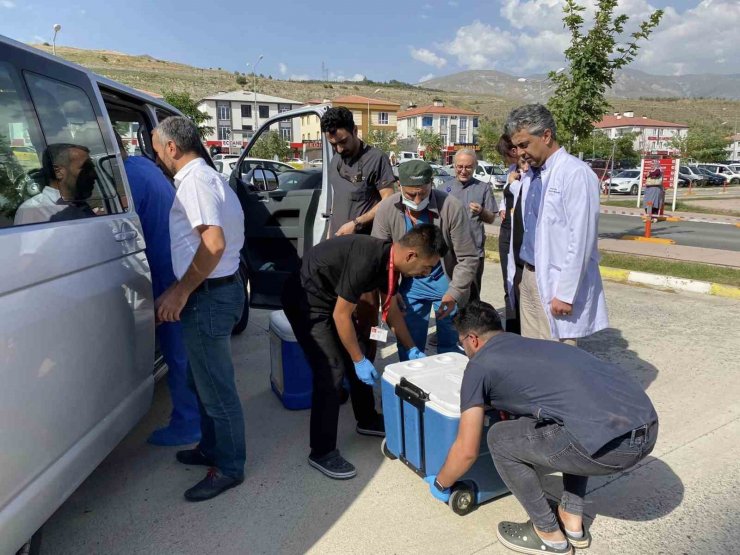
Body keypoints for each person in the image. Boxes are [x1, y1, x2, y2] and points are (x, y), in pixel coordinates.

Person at [425, 301, 658, 555]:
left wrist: (441, 483)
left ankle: (548, 534)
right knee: (572, 416)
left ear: (473, 339)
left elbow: (467, 449)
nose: (465, 349)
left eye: (462, 343)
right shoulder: (535, 346)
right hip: (647, 426)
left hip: (613, 448)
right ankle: (572, 518)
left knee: (499, 439)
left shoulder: (479, 364)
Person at [281, 225, 445, 480]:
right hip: (306, 301)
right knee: (332, 370)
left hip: (330, 300)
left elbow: (390, 311)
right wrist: (357, 360)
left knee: (357, 351)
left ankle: (366, 420)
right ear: (411, 255)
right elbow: (341, 315)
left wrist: (412, 347)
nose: (427, 273)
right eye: (426, 267)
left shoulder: (389, 262)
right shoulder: (368, 259)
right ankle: (321, 451)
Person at [152, 116, 246, 502]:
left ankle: (228, 467)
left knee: (216, 388)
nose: (156, 158)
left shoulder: (194, 182)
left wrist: (179, 292)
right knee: (201, 380)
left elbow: (213, 243)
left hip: (208, 295)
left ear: (172, 148)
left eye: (158, 150)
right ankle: (211, 447)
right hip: (214, 291)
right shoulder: (206, 177)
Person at [115, 132, 201, 446]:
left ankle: (189, 423)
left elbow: (118, 225)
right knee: (184, 351)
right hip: (174, 262)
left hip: (165, 271)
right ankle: (194, 417)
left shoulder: (129, 179)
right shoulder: (143, 167)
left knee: (178, 353)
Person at [504, 104, 608, 343]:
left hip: (556, 284)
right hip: (530, 276)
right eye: (516, 147)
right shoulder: (532, 175)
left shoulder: (575, 173)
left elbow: (581, 239)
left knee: (559, 361)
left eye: (524, 144)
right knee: (532, 352)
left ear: (546, 136)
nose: (519, 153)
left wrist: (566, 294)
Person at [371, 160, 479, 359]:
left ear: (432, 184)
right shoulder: (387, 209)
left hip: (446, 283)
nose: (418, 198)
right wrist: (391, 291)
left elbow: (468, 256)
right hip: (409, 286)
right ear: (400, 187)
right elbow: (379, 257)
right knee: (410, 344)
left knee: (450, 345)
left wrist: (455, 293)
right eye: (411, 194)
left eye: (423, 192)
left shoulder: (451, 207)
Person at [322, 106, 396, 237]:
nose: (339, 149)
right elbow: (338, 199)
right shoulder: (335, 161)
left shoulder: (377, 158)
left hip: (364, 243)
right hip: (337, 240)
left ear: (355, 131)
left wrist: (357, 223)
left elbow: (389, 199)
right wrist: (329, 233)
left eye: (343, 141)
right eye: (333, 144)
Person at [445, 148, 498, 302]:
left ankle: (471, 326)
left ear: (475, 167)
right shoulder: (444, 189)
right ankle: (450, 326)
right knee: (449, 296)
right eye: (459, 166)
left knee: (472, 297)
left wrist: (482, 211)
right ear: (454, 166)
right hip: (449, 253)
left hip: (473, 253)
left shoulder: (483, 188)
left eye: (468, 167)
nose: (463, 171)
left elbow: (491, 219)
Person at [14, 143, 96, 225]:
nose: (94, 175)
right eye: (86, 168)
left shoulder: (79, 204)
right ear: (58, 172)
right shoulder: (33, 210)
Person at [497, 135, 528, 334]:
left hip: (521, 231)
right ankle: (512, 329)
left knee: (521, 282)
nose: (506, 160)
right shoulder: (512, 171)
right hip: (508, 228)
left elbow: (523, 197)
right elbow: (506, 198)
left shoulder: (529, 171)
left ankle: (524, 328)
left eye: (507, 155)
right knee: (508, 281)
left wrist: (513, 184)